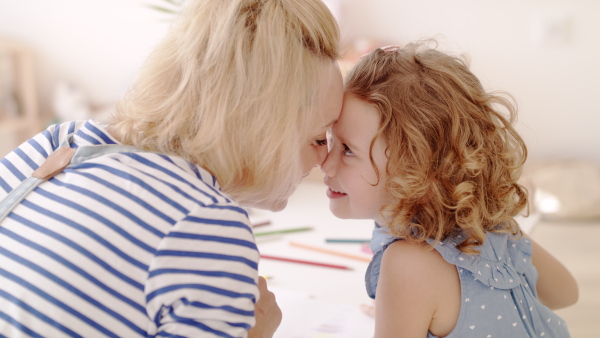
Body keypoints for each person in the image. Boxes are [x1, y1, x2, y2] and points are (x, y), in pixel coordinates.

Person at [0, 0, 344, 337]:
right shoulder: (210, 225)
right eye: (317, 139)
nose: (326, 160)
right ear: (262, 128)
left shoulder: (56, 144)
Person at [321, 41, 578, 337]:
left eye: (348, 150)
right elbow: (567, 293)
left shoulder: (408, 264)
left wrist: (403, 306)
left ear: (418, 172)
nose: (326, 164)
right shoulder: (491, 229)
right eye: (330, 140)